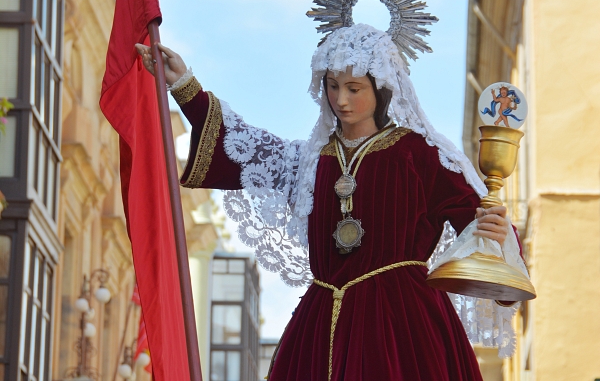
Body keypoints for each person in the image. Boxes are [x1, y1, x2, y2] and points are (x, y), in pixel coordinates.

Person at [135, 21, 515, 381]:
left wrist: (495, 233)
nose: (341, 100)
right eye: (332, 86)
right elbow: (242, 147)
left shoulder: (419, 154)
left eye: (354, 88)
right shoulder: (310, 160)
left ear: (381, 88)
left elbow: (477, 221)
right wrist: (185, 86)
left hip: (400, 323)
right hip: (320, 323)